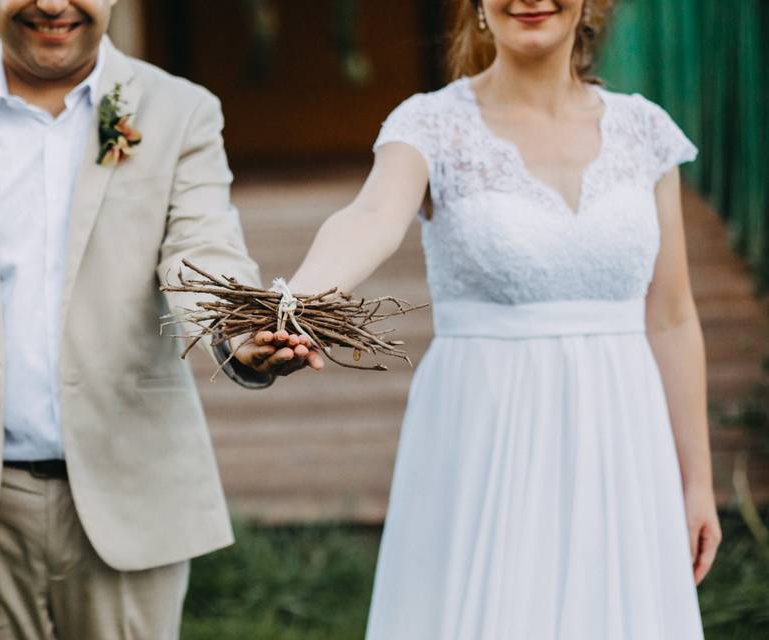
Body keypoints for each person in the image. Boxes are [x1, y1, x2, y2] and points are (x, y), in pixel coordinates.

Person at [0, 1, 321, 638]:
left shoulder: (179, 113)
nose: (50, 3)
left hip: (130, 493)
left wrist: (240, 331)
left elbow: (202, 254)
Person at [286, 0, 719, 637]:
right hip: (486, 437)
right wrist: (293, 303)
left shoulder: (645, 130)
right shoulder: (429, 124)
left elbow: (673, 318)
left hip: (623, 442)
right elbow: (371, 218)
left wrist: (697, 482)